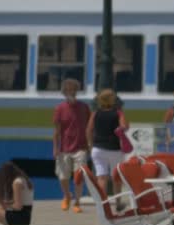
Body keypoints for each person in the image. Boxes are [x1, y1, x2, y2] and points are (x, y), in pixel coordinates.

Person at [52, 78, 90, 213]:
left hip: (81, 147)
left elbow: (88, 128)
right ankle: (67, 195)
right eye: (68, 91)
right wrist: (55, 148)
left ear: (76, 92)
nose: (71, 93)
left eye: (73, 91)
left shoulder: (84, 107)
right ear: (64, 92)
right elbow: (56, 131)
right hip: (64, 148)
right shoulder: (59, 109)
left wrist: (89, 145)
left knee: (79, 176)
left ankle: (77, 202)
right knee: (63, 176)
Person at [86, 89, 128, 210]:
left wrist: (90, 144)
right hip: (114, 149)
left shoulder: (96, 113)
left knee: (101, 177)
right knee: (116, 177)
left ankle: (103, 204)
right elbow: (124, 127)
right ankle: (118, 203)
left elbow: (88, 130)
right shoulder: (118, 113)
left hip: (98, 149)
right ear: (112, 99)